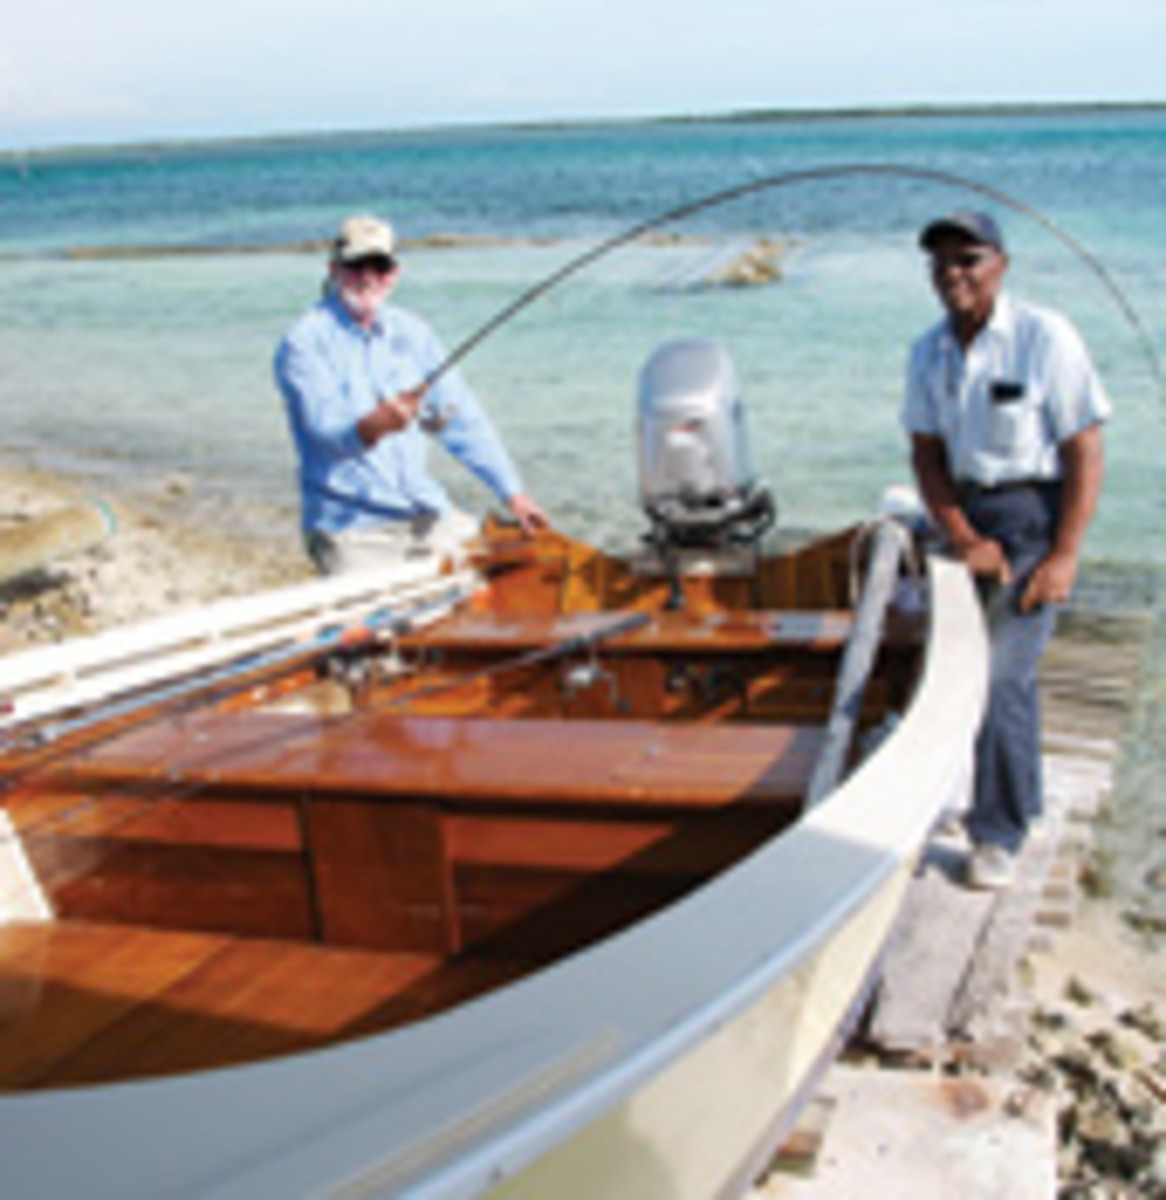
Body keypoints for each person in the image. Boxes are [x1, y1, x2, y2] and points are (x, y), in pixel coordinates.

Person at [902, 211, 1109, 890]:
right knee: (944, 664)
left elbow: (1084, 448)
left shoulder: (1044, 337)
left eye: (968, 259)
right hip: (963, 513)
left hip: (1032, 517)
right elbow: (926, 456)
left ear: (1002, 263)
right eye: (941, 263)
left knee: (1002, 678)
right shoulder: (926, 351)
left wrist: (1064, 556)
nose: (953, 275)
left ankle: (999, 832)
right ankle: (1015, 800)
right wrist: (961, 538)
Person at [275, 214, 547, 574]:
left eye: (380, 266)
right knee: (375, 631)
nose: (369, 277)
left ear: (395, 273)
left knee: (519, 573)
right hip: (352, 531)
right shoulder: (304, 342)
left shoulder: (413, 332)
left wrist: (512, 493)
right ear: (334, 269)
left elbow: (461, 420)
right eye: (357, 265)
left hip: (427, 514)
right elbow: (325, 433)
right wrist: (373, 426)